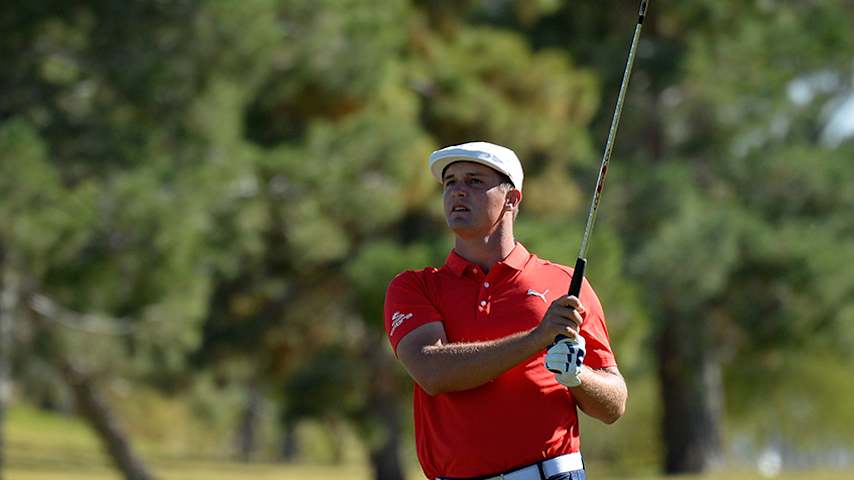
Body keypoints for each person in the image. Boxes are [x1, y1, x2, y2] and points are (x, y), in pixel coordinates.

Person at [383, 142, 628, 480]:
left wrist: (577, 376)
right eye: (450, 182)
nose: (458, 191)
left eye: (474, 181)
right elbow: (431, 371)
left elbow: (614, 404)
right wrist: (536, 339)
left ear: (512, 199)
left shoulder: (563, 283)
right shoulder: (415, 287)